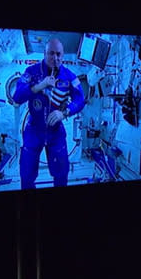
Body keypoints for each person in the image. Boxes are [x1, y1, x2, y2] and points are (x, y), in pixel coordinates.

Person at [13, 38, 85, 189]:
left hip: (56, 132)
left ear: (63, 55)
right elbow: (17, 96)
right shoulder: (31, 72)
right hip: (34, 130)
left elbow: (80, 99)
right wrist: (40, 86)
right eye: (51, 53)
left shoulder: (69, 76)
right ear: (44, 53)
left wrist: (64, 113)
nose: (55, 58)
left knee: (61, 174)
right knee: (26, 176)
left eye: (58, 54)